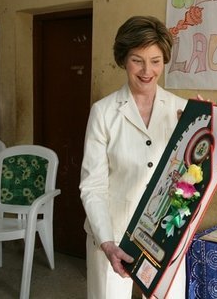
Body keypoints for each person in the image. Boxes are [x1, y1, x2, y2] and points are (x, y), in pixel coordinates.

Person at [79, 16, 188, 299]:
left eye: (155, 60)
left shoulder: (183, 111)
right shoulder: (103, 112)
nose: (147, 70)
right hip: (114, 233)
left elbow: (193, 180)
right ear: (123, 60)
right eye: (137, 60)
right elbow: (92, 186)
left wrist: (203, 129)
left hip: (166, 232)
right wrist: (106, 242)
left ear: (164, 60)